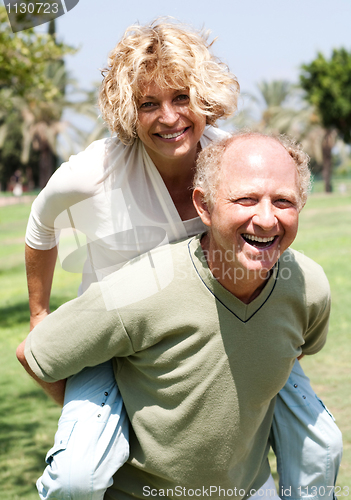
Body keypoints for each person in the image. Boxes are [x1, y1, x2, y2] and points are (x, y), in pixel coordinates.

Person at [21, 18, 342, 500]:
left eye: (181, 98)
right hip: (112, 334)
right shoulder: (93, 173)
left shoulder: (226, 160)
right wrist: (40, 315)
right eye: (148, 103)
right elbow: (40, 226)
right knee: (77, 476)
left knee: (321, 445)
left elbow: (267, 221)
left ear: (204, 98)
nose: (168, 117)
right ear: (129, 109)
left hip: (226, 321)